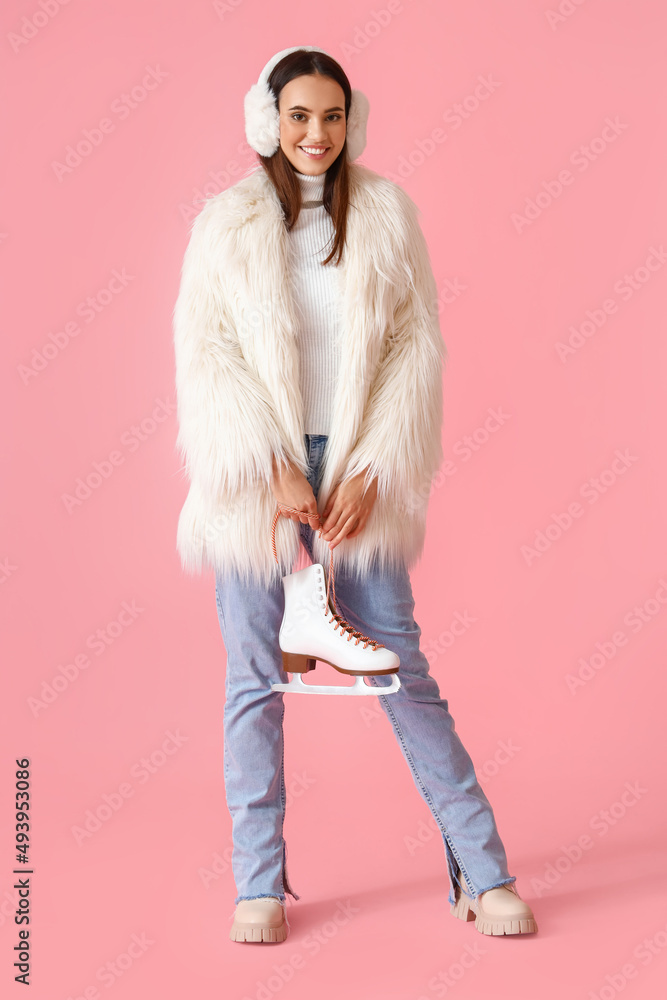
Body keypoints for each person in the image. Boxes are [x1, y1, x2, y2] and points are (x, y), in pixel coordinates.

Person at [172, 45, 538, 943]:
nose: (315, 134)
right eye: (298, 115)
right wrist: (270, 462)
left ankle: (481, 874)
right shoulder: (222, 225)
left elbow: (416, 346)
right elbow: (204, 356)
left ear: (351, 120)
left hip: (358, 465)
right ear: (269, 119)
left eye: (331, 116)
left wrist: (374, 466)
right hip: (257, 472)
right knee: (254, 679)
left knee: (401, 669)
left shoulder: (383, 214)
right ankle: (257, 883)